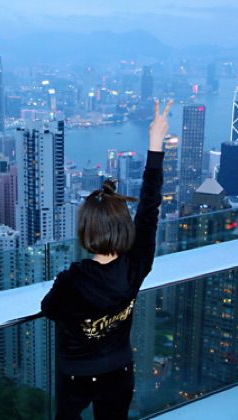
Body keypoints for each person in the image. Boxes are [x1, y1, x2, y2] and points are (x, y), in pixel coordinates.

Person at [41, 99, 172, 420]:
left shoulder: (72, 280)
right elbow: (149, 208)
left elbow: (49, 309)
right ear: (124, 227)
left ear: (86, 232)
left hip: (75, 374)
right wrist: (155, 144)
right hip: (118, 370)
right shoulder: (137, 266)